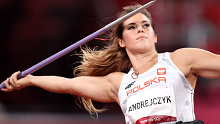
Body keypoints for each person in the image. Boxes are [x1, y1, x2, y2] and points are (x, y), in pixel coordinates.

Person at [1, 3, 217, 124]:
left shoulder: (180, 60)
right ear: (121, 41)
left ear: (155, 36)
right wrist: (29, 80)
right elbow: (68, 85)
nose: (140, 29)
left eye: (146, 25)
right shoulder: (118, 83)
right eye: (132, 27)